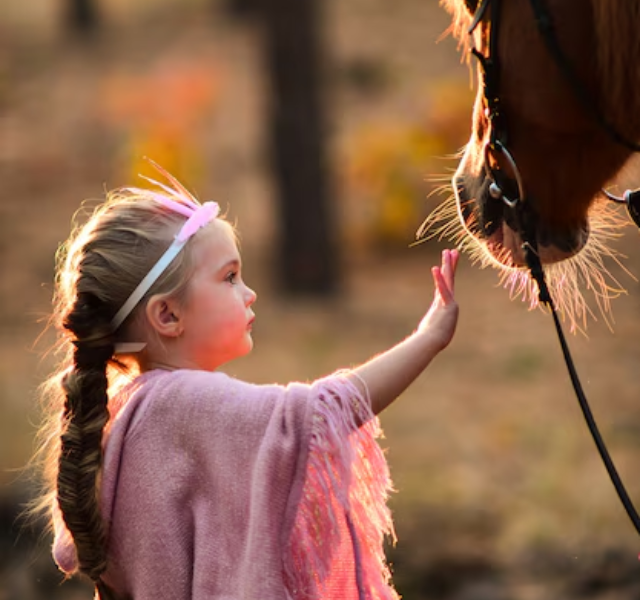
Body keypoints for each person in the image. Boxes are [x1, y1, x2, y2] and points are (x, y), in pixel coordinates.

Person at [32, 161, 459, 600]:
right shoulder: (185, 403)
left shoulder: (127, 411)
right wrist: (429, 338)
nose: (249, 292)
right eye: (229, 277)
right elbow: (318, 415)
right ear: (168, 315)